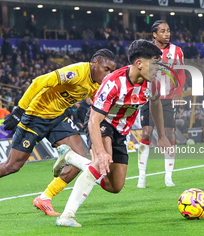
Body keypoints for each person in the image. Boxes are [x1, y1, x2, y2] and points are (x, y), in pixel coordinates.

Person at [0, 49, 117, 217]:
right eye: (106, 69)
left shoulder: (98, 83)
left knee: (79, 158)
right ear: (94, 64)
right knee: (12, 165)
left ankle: (45, 198)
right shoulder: (76, 72)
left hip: (57, 118)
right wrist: (19, 110)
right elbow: (39, 82)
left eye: (112, 71)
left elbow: (98, 107)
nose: (108, 74)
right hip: (34, 116)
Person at [53, 39, 172, 227]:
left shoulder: (153, 83)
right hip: (102, 122)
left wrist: (163, 135)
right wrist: (100, 152)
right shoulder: (114, 83)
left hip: (121, 130)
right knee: (102, 160)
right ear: (139, 63)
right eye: (155, 64)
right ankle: (66, 216)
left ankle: (70, 157)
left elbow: (155, 105)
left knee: (115, 185)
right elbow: (93, 120)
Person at [137, 20, 186, 188]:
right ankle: (142, 177)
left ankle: (168, 177)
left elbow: (181, 73)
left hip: (167, 99)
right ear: (154, 34)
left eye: (169, 30)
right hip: (148, 97)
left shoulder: (177, 51)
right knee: (146, 133)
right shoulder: (144, 50)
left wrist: (178, 92)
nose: (167, 33)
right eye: (163, 31)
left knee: (168, 135)